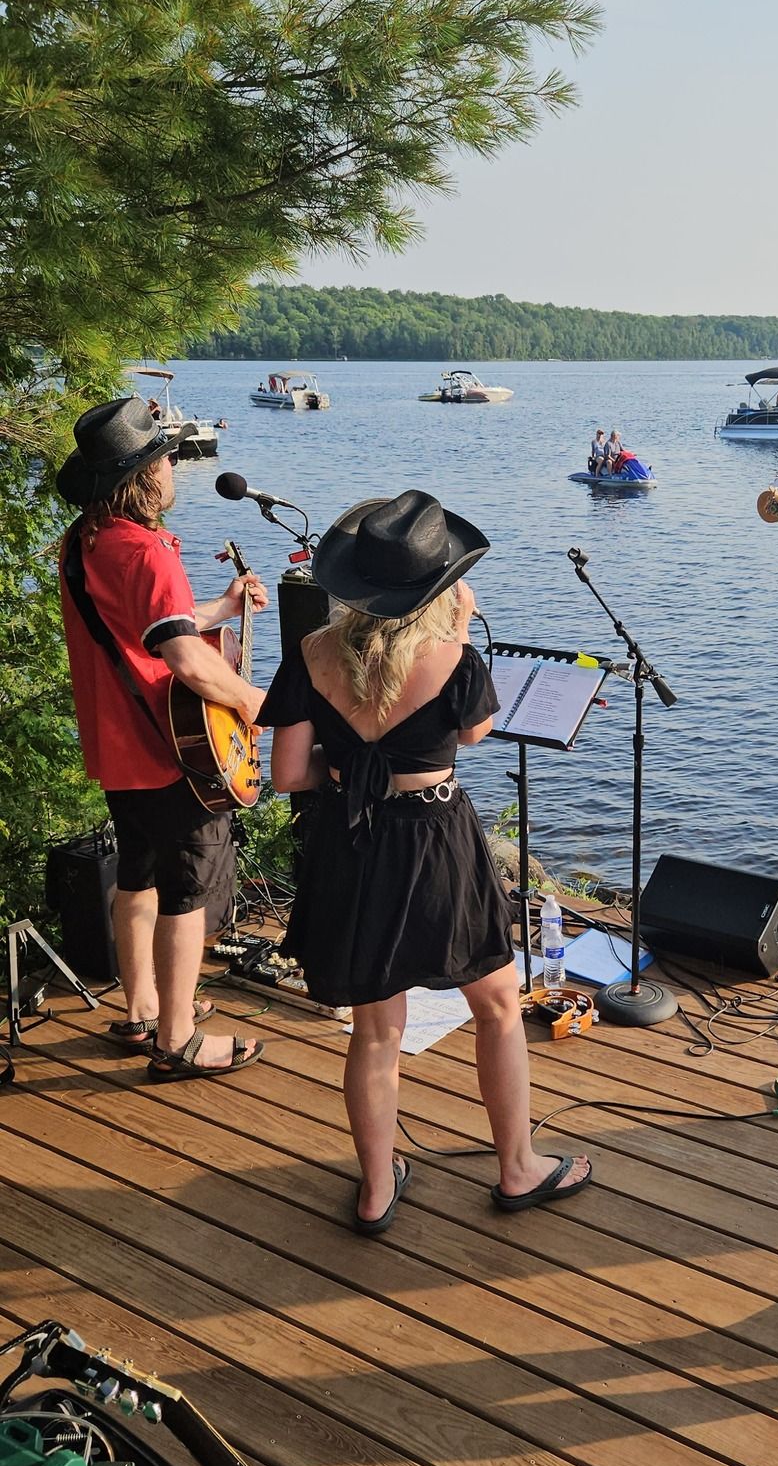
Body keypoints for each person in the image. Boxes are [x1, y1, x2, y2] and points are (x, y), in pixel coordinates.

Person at [262, 490, 593, 1232]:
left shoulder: (311, 653)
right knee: (498, 1006)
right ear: (436, 585)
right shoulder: (455, 657)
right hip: (438, 842)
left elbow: (286, 776)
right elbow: (473, 735)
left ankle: (377, 1189)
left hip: (353, 845)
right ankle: (517, 1168)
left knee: (376, 1031)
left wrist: (351, 769)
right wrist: (462, 628)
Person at [57, 396, 268, 1078]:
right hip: (170, 749)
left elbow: (149, 627)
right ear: (145, 476)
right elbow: (182, 658)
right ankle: (176, 1041)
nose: (174, 464)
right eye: (166, 457)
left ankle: (143, 1007)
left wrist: (221, 607)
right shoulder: (146, 549)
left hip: (119, 744)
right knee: (188, 892)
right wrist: (256, 702)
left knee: (138, 874)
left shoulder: (85, 540)